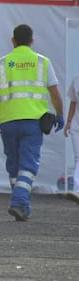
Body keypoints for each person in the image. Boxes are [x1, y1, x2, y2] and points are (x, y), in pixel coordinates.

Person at [0, 24, 64, 222]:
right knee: (28, 165)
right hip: (33, 123)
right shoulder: (42, 62)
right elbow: (54, 93)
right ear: (32, 41)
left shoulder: (2, 63)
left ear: (13, 41)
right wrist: (60, 115)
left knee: (14, 164)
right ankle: (19, 201)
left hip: (8, 122)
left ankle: (23, 208)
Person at [64, 74, 79, 204]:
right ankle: (76, 189)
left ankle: (76, 188)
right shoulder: (76, 80)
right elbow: (73, 103)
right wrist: (68, 122)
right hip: (76, 125)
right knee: (78, 157)